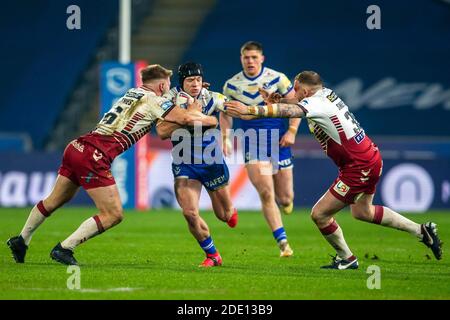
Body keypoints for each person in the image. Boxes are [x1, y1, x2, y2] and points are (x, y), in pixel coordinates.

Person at [224, 70, 443, 269]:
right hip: (369, 156)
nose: (294, 92)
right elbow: (291, 103)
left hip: (358, 166)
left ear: (306, 90)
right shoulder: (325, 94)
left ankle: (347, 258)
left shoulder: (315, 104)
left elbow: (292, 109)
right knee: (362, 211)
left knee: (319, 214)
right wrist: (277, 99)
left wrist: (250, 109)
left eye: (296, 88)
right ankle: (422, 231)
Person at [6, 64, 219, 266]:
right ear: (162, 86)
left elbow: (163, 127)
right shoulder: (155, 100)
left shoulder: (132, 92)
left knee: (54, 200)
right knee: (113, 214)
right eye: (168, 84)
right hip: (95, 155)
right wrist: (206, 116)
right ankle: (65, 248)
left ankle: (21, 240)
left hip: (77, 146)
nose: (169, 89)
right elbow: (185, 119)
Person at [221, 41, 300, 257]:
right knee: (266, 192)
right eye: (246, 57)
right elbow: (225, 112)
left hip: (278, 142)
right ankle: (283, 243)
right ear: (241, 59)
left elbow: (296, 106)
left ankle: (286, 203)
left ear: (262, 59)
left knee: (285, 197)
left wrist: (292, 130)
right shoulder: (232, 85)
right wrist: (226, 137)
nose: (250, 61)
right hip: (252, 142)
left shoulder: (278, 78)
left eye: (254, 57)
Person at [156, 62, 238, 267]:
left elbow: (222, 117)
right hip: (185, 164)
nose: (195, 84)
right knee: (189, 213)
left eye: (198, 80)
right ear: (181, 82)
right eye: (190, 80)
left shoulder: (212, 97)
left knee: (224, 215)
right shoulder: (168, 100)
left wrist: (226, 134)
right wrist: (187, 116)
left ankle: (230, 210)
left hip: (211, 162)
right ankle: (213, 255)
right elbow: (162, 132)